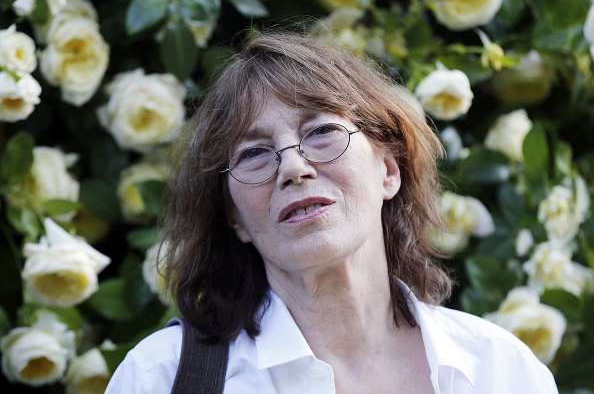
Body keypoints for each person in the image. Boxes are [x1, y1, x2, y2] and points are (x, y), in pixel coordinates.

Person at [105, 32, 559, 393]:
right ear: (235, 219)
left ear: (388, 169)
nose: (293, 167)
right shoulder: (158, 379)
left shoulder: (501, 370)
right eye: (254, 154)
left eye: (321, 130)